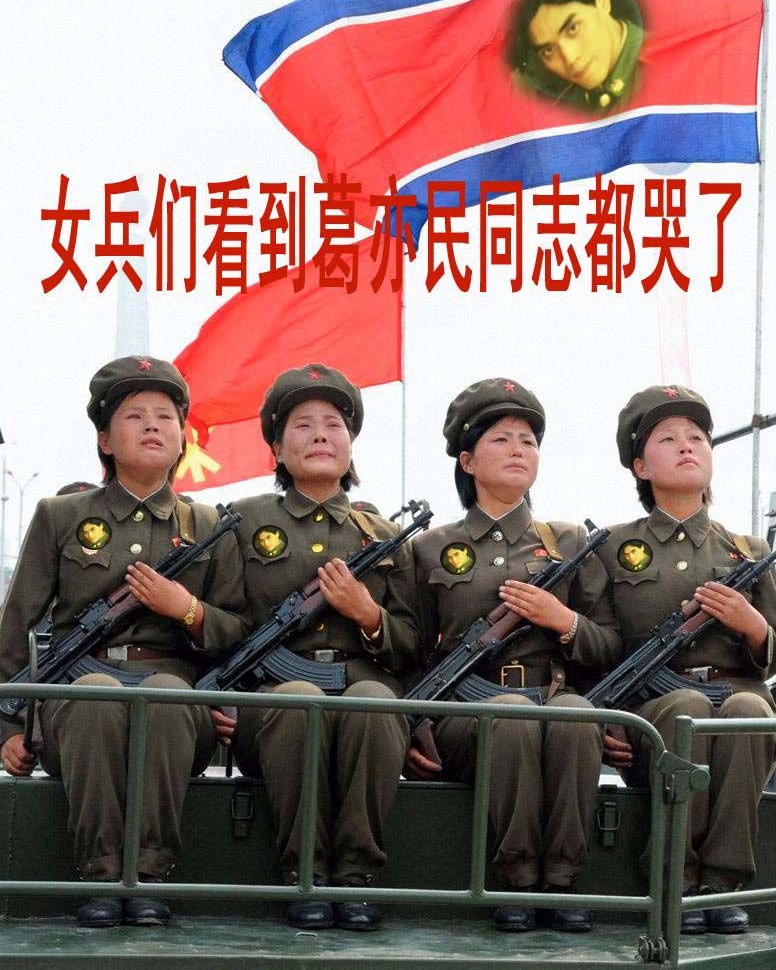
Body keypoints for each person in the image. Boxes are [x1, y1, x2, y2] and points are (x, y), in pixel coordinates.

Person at [0, 356, 246, 928]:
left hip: (176, 700)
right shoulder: (61, 515)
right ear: (106, 440)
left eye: (165, 416)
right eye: (134, 416)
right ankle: (101, 874)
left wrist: (183, 608)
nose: (152, 425)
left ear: (182, 439)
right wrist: (8, 728)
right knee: (95, 695)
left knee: (164, 695)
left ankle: (149, 874)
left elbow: (237, 631)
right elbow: (16, 628)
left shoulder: (210, 525)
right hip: (76, 698)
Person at [408, 378, 619, 932]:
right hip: (465, 713)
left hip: (553, 694)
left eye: (528, 441)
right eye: (501, 439)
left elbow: (610, 645)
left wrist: (563, 621)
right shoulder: (429, 548)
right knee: (512, 717)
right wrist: (416, 726)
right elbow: (412, 648)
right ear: (467, 460)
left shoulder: (570, 542)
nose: (518, 450)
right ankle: (517, 878)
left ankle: (563, 879)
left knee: (577, 718)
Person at [224, 363, 418, 932]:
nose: (320, 436)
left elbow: (412, 646)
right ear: (277, 450)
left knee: (375, 703)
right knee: (298, 701)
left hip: (362, 700)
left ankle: (356, 876)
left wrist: (368, 614)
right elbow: (222, 621)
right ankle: (303, 872)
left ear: (350, 446)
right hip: (270, 708)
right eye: (303, 426)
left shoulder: (384, 536)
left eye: (334, 425)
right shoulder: (240, 521)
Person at [599, 384, 776, 935]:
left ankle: (722, 884)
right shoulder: (610, 547)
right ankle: (675, 875)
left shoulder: (747, 551)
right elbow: (598, 643)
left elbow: (771, 655)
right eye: (668, 438)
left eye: (697, 437)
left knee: (751, 709)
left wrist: (752, 625)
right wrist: (604, 718)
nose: (686, 446)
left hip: (736, 689)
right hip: (653, 706)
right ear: (640, 466)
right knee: (688, 708)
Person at [506, 0, 644, 113]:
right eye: (548, 50)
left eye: (573, 28)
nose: (570, 58)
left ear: (602, 2)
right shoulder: (563, 106)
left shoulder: (656, 73)